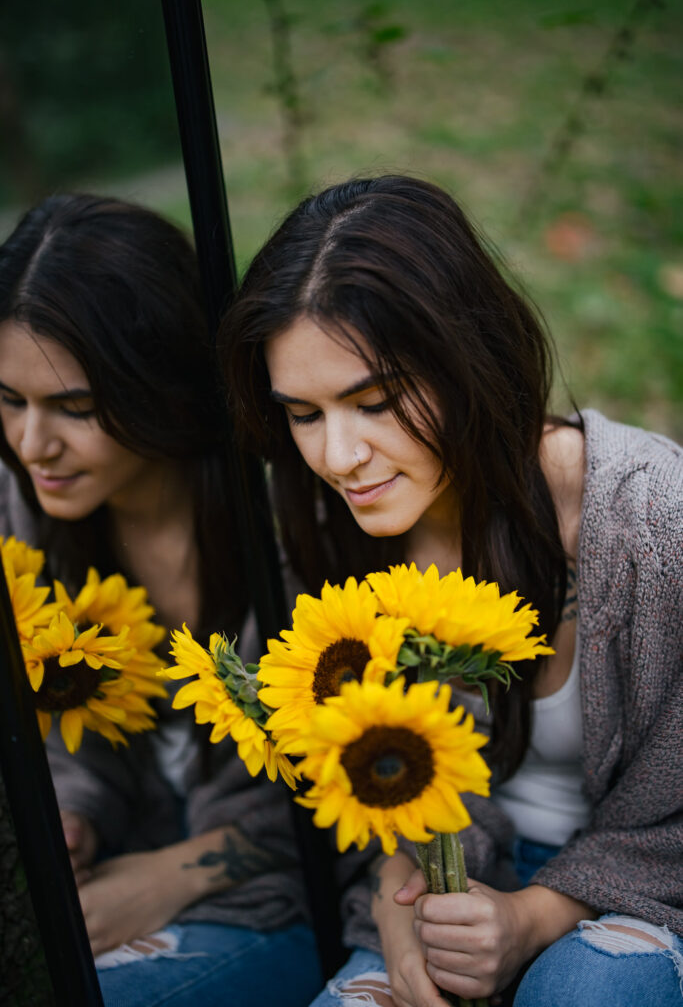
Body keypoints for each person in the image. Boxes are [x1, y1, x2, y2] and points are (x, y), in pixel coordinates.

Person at [220, 175, 683, 1007]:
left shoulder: (649, 519)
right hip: (440, 903)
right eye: (302, 413)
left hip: (644, 900)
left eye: (374, 402)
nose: (336, 456)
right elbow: (341, 774)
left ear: (466, 359)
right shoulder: (327, 539)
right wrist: (397, 907)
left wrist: (537, 916)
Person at [0, 193, 323, 1007]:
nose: (33, 445)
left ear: (162, 386)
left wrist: (177, 873)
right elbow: (59, 741)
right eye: (9, 401)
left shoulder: (299, 531)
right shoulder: (23, 519)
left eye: (74, 409)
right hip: (109, 877)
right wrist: (72, 819)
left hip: (284, 906)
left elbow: (352, 798)